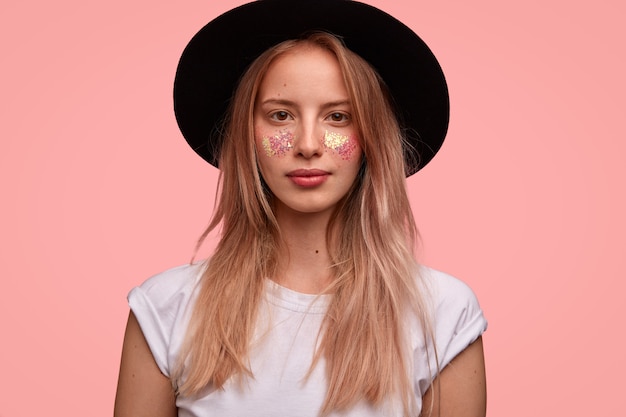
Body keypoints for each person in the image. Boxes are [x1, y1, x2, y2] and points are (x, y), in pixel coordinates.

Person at [114, 1, 487, 416]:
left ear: (371, 136)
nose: (307, 144)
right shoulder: (165, 307)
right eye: (280, 115)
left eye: (338, 117)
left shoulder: (443, 312)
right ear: (247, 134)